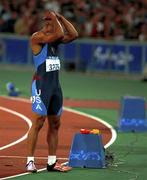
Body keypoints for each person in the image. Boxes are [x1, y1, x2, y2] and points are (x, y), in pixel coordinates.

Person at [26, 10, 78, 173]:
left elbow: (74, 34)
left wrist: (61, 17)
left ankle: (52, 162)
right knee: (38, 121)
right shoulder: (37, 37)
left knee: (55, 124)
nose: (50, 24)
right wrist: (56, 19)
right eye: (47, 22)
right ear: (43, 25)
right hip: (41, 86)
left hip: (55, 87)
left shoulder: (56, 41)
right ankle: (29, 162)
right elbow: (59, 33)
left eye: (52, 22)